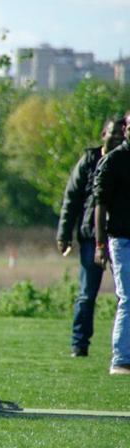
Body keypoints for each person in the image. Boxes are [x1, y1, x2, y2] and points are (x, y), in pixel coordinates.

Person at [56, 116, 126, 357]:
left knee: (124, 296)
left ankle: (121, 349)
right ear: (102, 134)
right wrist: (64, 234)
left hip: (120, 233)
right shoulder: (89, 160)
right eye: (113, 133)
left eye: (121, 132)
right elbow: (72, 198)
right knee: (87, 294)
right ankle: (79, 344)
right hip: (90, 234)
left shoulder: (124, 161)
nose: (117, 137)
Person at [94, 115, 130, 375]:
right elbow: (100, 204)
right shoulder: (114, 160)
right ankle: (121, 358)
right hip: (122, 237)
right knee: (128, 298)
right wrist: (99, 243)